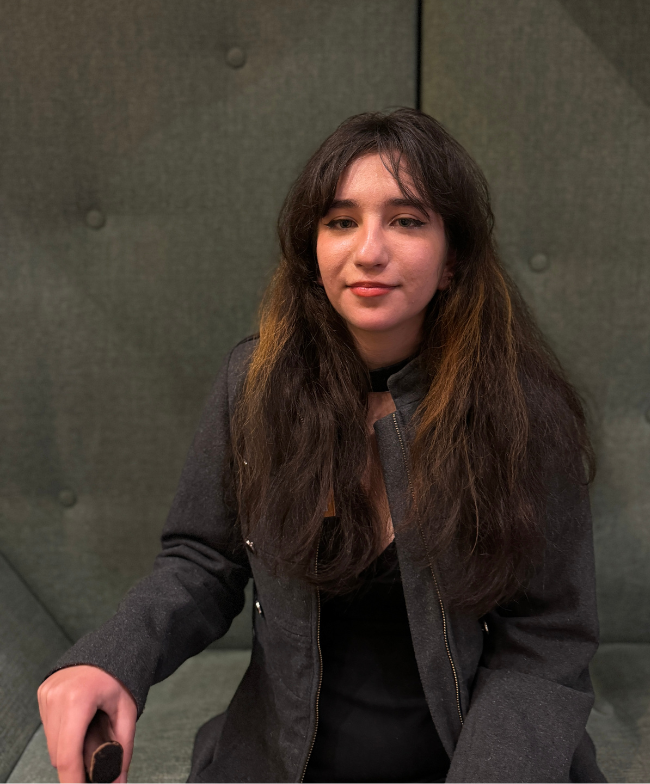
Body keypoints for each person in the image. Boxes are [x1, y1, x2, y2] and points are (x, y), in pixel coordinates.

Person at [38, 108, 605, 783]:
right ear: (313, 249)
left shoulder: (524, 409)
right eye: (341, 221)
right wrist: (109, 657)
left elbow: (548, 637)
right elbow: (201, 562)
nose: (369, 250)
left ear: (453, 259)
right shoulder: (252, 384)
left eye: (407, 220)